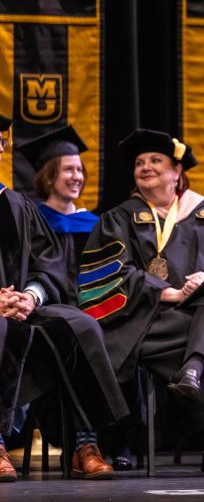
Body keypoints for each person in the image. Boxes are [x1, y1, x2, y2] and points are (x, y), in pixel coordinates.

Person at [78, 129, 204, 477]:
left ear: (177, 172)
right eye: (139, 163)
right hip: (145, 321)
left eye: (155, 160)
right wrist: (168, 292)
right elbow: (105, 277)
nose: (145, 167)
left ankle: (193, 373)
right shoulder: (118, 219)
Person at [0, 114, 129, 482]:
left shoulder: (17, 206)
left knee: (79, 324)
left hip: (21, 308)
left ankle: (84, 444)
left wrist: (29, 296)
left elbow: (47, 265)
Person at [19, 125, 99, 307]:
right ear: (48, 177)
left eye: (80, 170)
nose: (77, 176)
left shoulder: (95, 224)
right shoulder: (32, 222)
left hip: (92, 309)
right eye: (69, 169)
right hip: (42, 310)